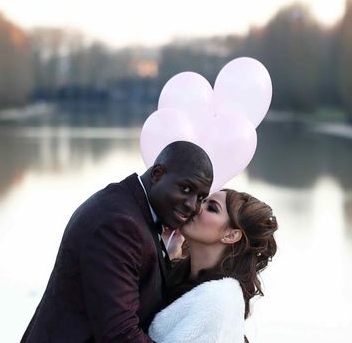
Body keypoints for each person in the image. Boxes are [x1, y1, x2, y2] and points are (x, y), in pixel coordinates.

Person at [21, 141, 213, 343]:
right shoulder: (119, 224)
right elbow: (119, 333)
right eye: (185, 188)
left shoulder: (133, 209)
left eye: (201, 197)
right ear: (157, 174)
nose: (193, 205)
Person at [148, 189, 278, 343]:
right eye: (202, 200)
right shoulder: (180, 273)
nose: (196, 207)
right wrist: (160, 253)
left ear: (231, 235)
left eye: (211, 208)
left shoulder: (218, 300)